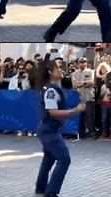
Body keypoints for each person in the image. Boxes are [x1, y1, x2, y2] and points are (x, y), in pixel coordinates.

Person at [35, 53, 87, 197]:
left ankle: (41, 188)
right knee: (64, 159)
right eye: (58, 68)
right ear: (51, 73)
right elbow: (53, 112)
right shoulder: (51, 91)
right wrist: (74, 111)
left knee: (49, 159)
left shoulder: (53, 88)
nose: (61, 70)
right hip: (49, 131)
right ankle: (51, 192)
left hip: (49, 129)